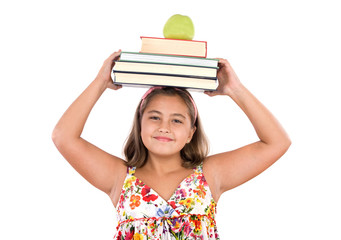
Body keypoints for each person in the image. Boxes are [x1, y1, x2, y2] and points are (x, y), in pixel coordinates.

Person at [52, 50, 291, 239]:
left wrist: (234, 89)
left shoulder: (210, 175)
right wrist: (99, 82)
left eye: (177, 120)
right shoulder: (119, 177)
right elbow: (63, 136)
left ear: (190, 133)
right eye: (154, 117)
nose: (164, 127)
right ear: (140, 124)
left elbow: (277, 142)